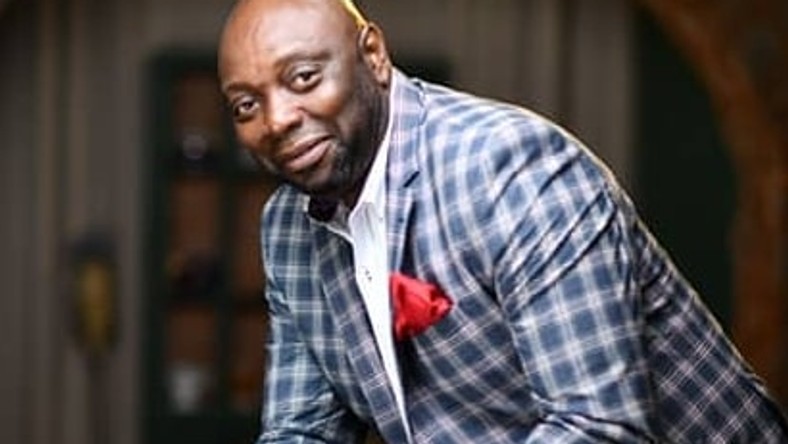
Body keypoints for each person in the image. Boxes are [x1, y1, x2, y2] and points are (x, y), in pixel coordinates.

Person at [218, 0, 788, 442]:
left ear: (374, 56)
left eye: (303, 78)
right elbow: (303, 429)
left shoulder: (512, 170)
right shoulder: (287, 229)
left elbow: (598, 428)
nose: (277, 119)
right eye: (246, 105)